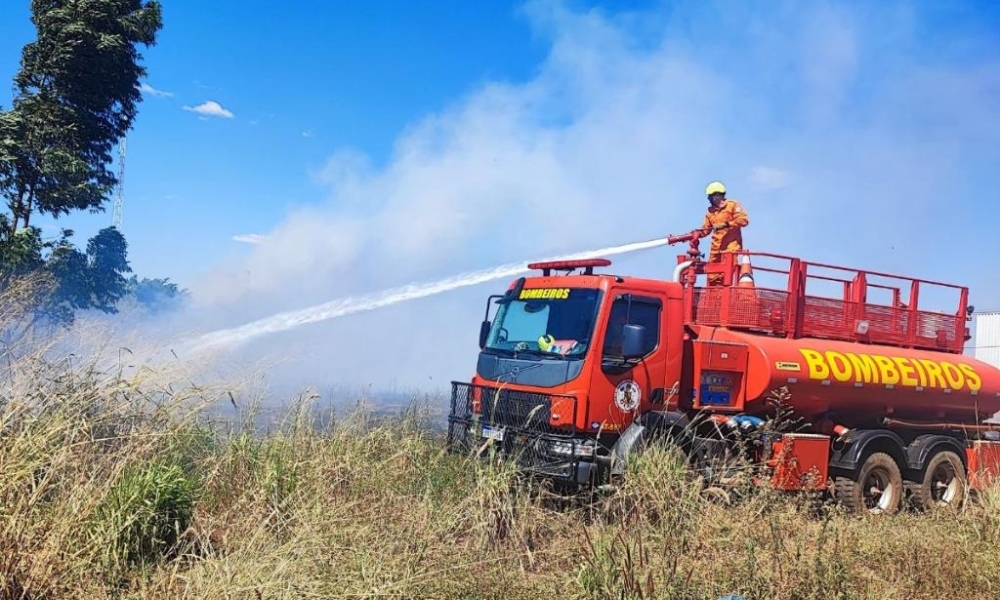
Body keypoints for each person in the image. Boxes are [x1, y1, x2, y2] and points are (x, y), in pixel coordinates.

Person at [700, 181, 749, 286]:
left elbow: (743, 220)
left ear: (717, 195)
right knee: (713, 277)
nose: (709, 199)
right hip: (715, 250)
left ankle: (727, 294)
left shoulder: (732, 205)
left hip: (730, 249)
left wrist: (726, 224)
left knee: (727, 274)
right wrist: (696, 234)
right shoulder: (710, 211)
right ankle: (715, 299)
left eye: (710, 196)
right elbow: (706, 230)